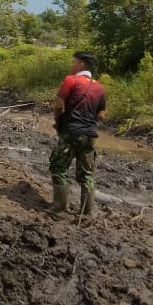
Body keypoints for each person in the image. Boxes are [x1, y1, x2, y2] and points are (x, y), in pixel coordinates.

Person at [47, 51, 106, 218]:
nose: (71, 65)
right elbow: (101, 115)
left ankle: (59, 208)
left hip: (70, 132)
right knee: (86, 173)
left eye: (73, 62)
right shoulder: (99, 87)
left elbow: (59, 105)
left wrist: (58, 122)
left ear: (81, 65)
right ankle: (86, 212)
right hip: (90, 135)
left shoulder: (70, 80)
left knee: (58, 167)